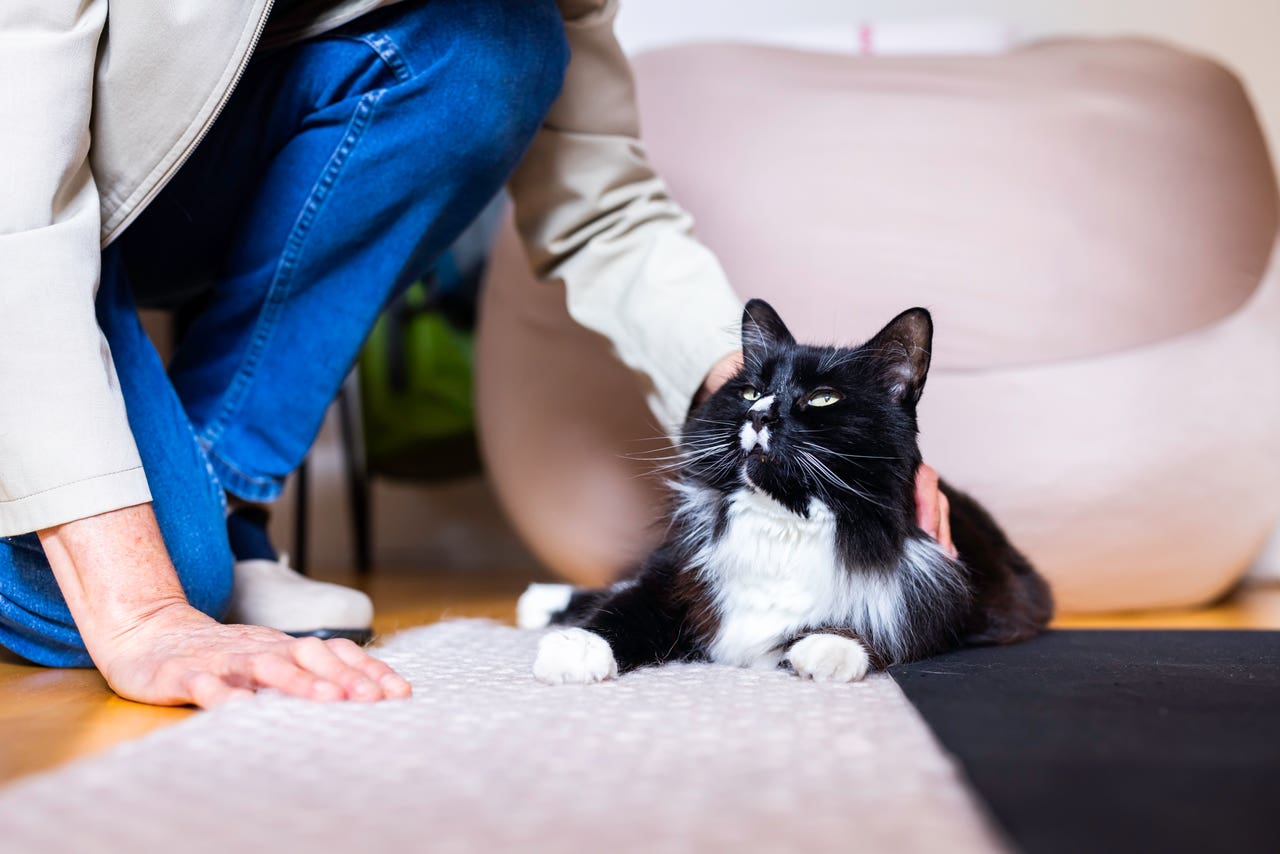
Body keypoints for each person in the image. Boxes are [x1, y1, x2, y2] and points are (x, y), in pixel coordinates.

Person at [0, 0, 952, 708]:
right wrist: (144, 612)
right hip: (30, 200)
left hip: (169, 196)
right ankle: (179, 546)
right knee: (153, 590)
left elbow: (605, 208)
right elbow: (18, 215)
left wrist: (794, 411)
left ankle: (212, 499)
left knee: (494, 45)